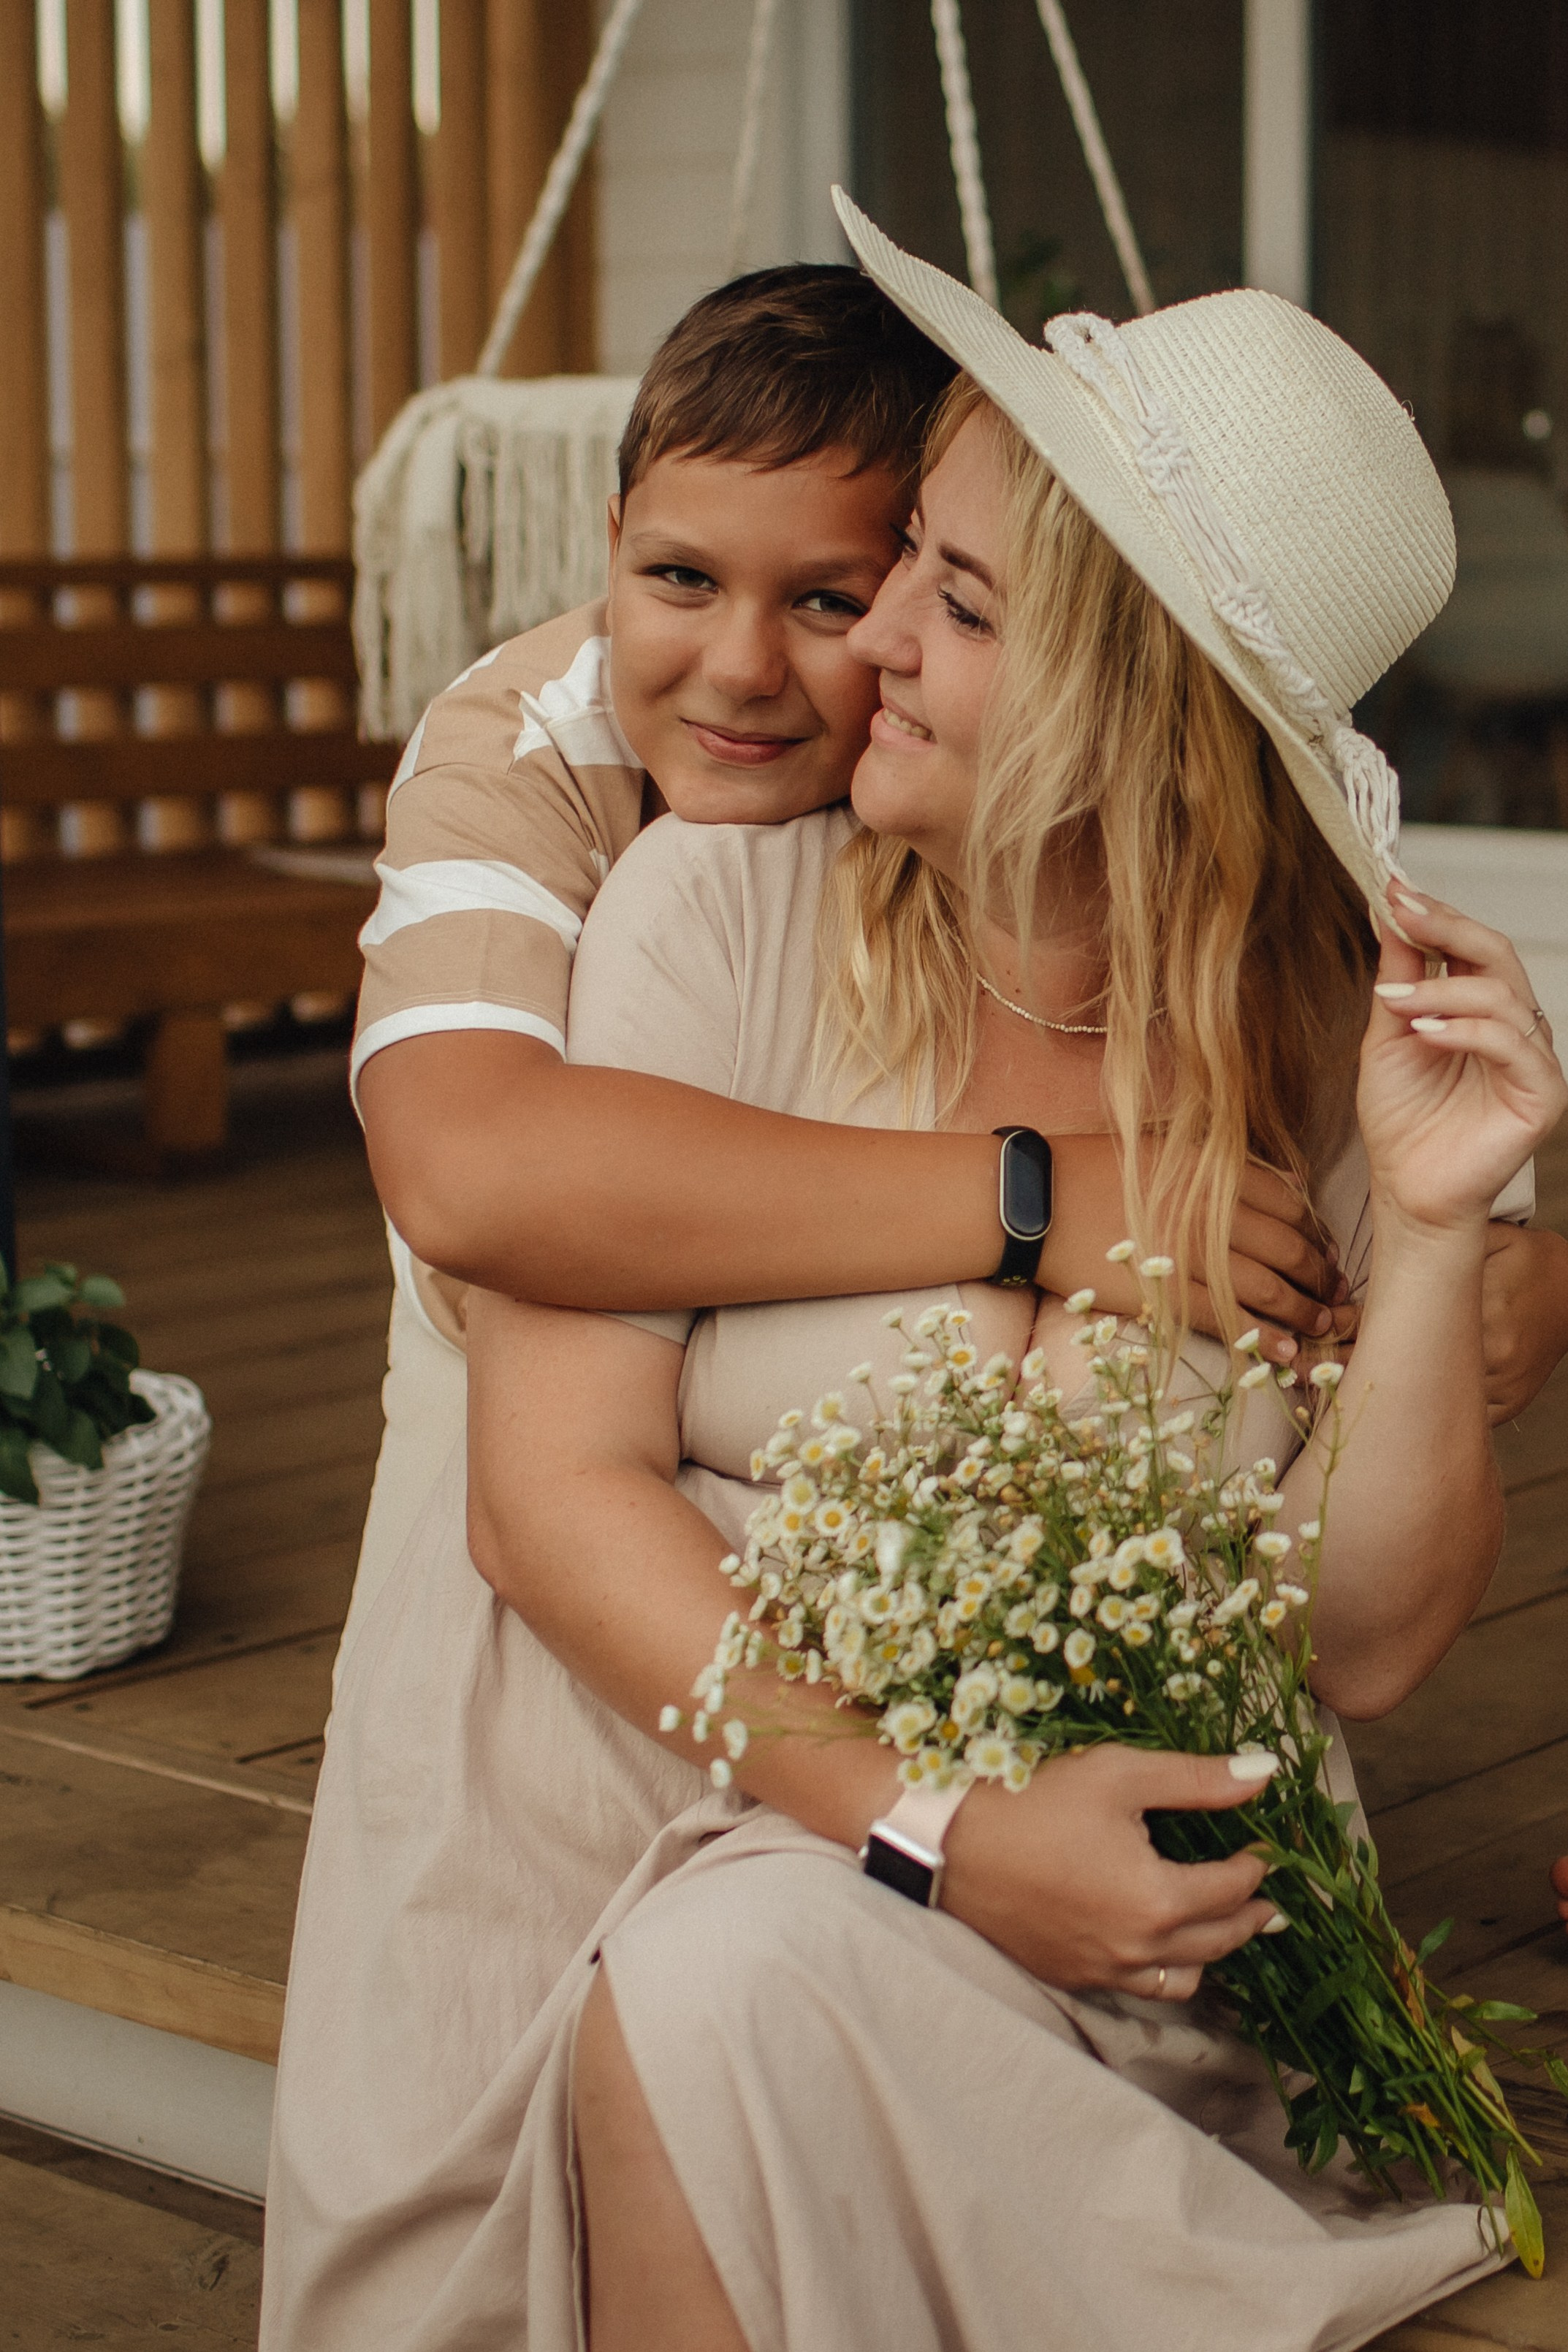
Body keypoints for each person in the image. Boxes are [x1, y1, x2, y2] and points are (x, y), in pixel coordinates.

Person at [260, 210, 1568, 2351]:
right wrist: (947, 1829)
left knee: (732, 1989)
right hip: (734, 1809)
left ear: (1134, 702)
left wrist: (1436, 1241)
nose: (848, 656)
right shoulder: (707, 904)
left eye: (936, 601)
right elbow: (527, 1400)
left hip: (1149, 1927)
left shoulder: (1324, 1029)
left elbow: (1370, 1635)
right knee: (721, 1981)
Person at [352, 262, 1568, 1671]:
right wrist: (1041, 1197)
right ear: (616, 542)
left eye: (843, 592)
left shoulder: (1301, 980)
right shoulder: (556, 759)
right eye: (681, 576)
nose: (763, 665)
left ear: (1135, 707)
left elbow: (1372, 1604)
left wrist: (1478, 1270)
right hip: (600, 1612)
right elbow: (469, 1178)